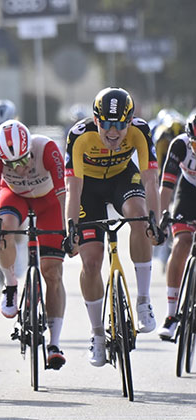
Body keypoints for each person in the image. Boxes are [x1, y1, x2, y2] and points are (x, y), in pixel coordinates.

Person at [64, 87, 160, 367]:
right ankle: (96, 334)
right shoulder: (79, 135)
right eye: (106, 123)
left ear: (130, 121)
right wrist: (70, 229)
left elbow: (150, 180)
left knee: (139, 216)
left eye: (120, 124)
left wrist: (155, 220)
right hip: (87, 190)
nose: (114, 131)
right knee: (91, 263)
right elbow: (73, 188)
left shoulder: (141, 131)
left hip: (122, 179)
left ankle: (143, 300)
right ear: (96, 120)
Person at [0, 119, 68, 369]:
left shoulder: (47, 149)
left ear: (30, 149)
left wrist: (67, 232)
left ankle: (55, 343)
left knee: (52, 272)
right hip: (15, 197)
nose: (18, 168)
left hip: (49, 201)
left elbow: (65, 195)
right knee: (4, 227)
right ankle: (10, 284)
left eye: (23, 161)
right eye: (11, 164)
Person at [156, 113, 196, 339]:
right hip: (187, 192)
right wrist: (163, 217)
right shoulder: (179, 145)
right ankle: (171, 315)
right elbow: (166, 186)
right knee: (182, 243)